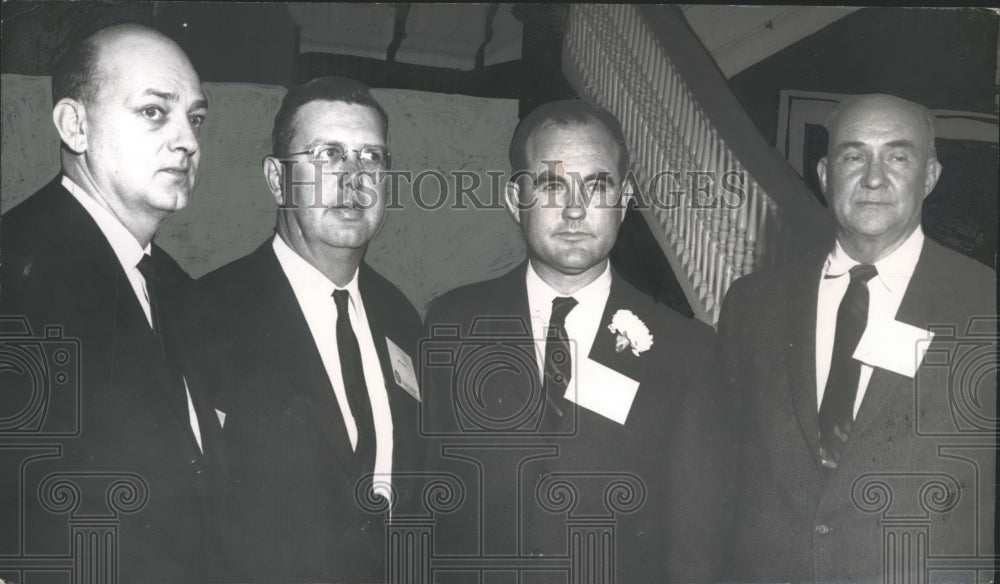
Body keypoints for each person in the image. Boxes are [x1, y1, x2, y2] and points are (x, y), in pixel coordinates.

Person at [421, 99, 735, 583]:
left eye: (597, 186)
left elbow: (697, 544)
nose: (574, 209)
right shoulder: (452, 323)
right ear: (515, 199)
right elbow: (427, 505)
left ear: (624, 200)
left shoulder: (687, 351)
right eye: (552, 185)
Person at [720, 93, 996, 582]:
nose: (873, 178)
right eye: (853, 156)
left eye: (897, 157)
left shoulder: (985, 301)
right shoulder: (752, 303)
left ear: (929, 176)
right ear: (825, 175)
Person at [0, 24, 222, 581]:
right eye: (154, 111)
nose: (187, 141)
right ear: (75, 126)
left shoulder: (178, 288)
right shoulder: (13, 272)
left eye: (195, 118)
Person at [190, 76, 423, 582]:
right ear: (278, 180)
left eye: (371, 157)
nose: (354, 178)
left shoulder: (402, 317)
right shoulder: (204, 313)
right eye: (328, 155)